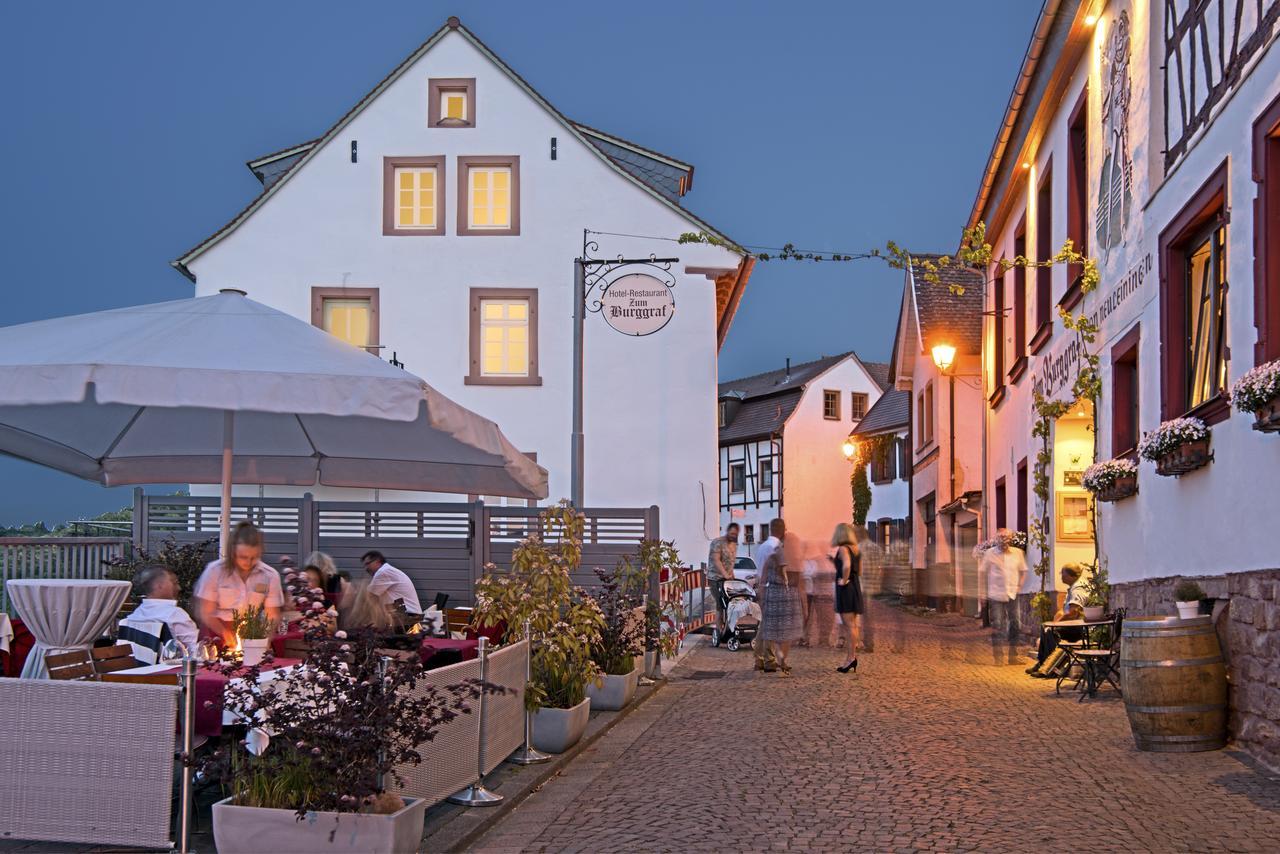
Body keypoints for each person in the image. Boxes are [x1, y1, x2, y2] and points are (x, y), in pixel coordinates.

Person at [193, 521, 284, 646]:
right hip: (214, 634)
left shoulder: (269, 575)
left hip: (249, 632)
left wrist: (265, 639)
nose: (248, 562)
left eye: (254, 557)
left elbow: (272, 614)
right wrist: (225, 633)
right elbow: (205, 612)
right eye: (243, 557)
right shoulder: (215, 571)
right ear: (232, 552)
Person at [1028, 563, 1088, 677]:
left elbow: (1073, 613)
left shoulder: (1078, 589)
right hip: (1073, 625)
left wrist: (1057, 623)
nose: (1061, 577)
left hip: (1079, 628)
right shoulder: (1074, 586)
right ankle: (1043, 664)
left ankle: (1049, 668)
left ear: (1072, 575)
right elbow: (1067, 610)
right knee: (1045, 627)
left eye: (1063, 575)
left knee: (1050, 630)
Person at [980, 528, 1028, 665]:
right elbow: (982, 574)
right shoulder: (989, 553)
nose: (1004, 540)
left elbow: (1024, 571)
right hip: (995, 594)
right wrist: (982, 594)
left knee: (1016, 624)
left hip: (1012, 594)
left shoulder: (1018, 553)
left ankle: (1013, 656)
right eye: (1001, 538)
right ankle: (998, 657)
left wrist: (1019, 586)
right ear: (997, 539)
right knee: (997, 625)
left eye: (1006, 538)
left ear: (1011, 539)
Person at [126, 564, 199, 653]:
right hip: (168, 665)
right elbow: (196, 650)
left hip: (139, 666)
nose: (179, 588)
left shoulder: (135, 615)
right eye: (175, 583)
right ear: (159, 586)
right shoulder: (174, 614)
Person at [759, 536, 804, 674]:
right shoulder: (794, 560)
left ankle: (774, 659)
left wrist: (761, 596)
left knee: (773, 629)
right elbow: (799, 581)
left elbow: (763, 578)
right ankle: (781, 659)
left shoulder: (772, 558)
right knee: (785, 631)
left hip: (773, 595)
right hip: (788, 596)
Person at [752, 518, 785, 671]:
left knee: (764, 625)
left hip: (761, 587)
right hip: (772, 588)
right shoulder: (776, 547)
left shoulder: (762, 546)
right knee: (771, 625)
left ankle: (758, 659)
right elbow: (779, 571)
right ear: (782, 530)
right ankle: (769, 659)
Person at [832, 522, 864, 673]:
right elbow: (860, 570)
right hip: (855, 586)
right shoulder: (856, 549)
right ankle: (852, 657)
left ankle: (850, 658)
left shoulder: (843, 549)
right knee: (853, 625)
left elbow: (846, 566)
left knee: (849, 625)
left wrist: (843, 580)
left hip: (846, 589)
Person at [361, 550, 423, 625]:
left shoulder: (383, 572)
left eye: (368, 564)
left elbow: (367, 597)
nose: (366, 568)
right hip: (410, 617)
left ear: (377, 561)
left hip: (408, 619)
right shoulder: (388, 570)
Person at [707, 522, 739, 638]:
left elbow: (730, 562)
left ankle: (729, 628)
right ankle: (718, 630)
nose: (733, 536)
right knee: (720, 604)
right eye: (731, 533)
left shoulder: (734, 545)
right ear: (727, 531)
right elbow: (716, 561)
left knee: (731, 603)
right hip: (715, 578)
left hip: (728, 579)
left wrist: (732, 574)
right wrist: (725, 574)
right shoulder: (717, 543)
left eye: (735, 534)